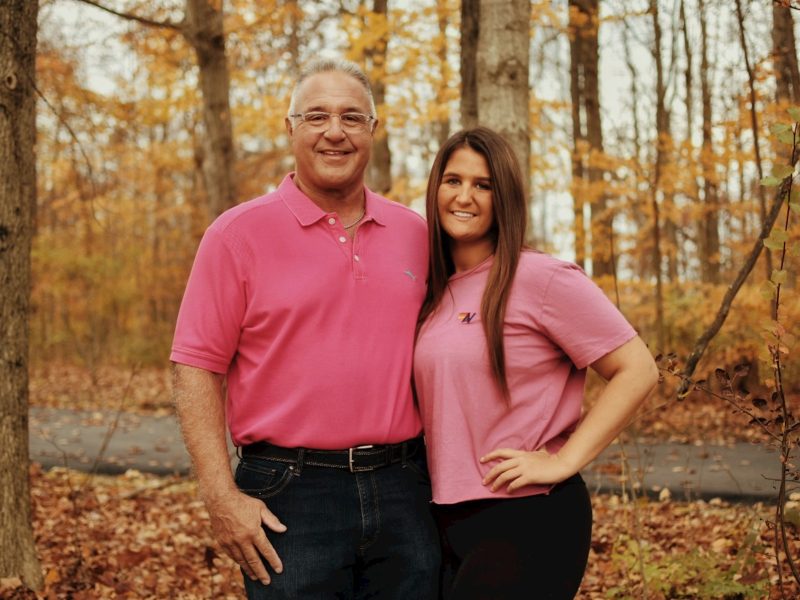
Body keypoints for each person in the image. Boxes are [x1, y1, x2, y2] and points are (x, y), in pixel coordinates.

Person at [170, 58, 440, 599]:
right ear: (290, 128)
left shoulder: (415, 232)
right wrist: (222, 498)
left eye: (352, 118)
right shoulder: (236, 235)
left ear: (373, 131)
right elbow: (195, 368)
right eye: (316, 116)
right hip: (289, 493)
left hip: (406, 487)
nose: (334, 132)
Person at [413, 127, 659, 599]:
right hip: (440, 516)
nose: (465, 196)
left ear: (503, 196)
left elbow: (638, 369)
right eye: (453, 180)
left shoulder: (542, 278)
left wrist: (564, 460)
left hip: (527, 516)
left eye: (483, 185)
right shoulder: (434, 291)